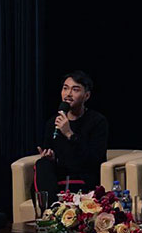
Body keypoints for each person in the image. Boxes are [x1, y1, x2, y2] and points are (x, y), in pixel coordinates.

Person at [36, 70, 109, 199]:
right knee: (42, 164)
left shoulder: (97, 121)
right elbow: (52, 154)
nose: (68, 94)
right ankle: (51, 208)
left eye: (75, 90)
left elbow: (94, 159)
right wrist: (50, 157)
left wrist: (69, 134)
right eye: (65, 88)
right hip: (58, 178)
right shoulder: (52, 122)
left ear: (86, 95)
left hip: (84, 178)